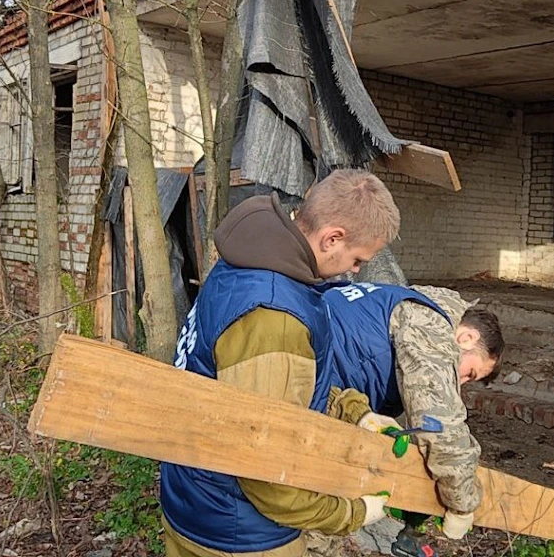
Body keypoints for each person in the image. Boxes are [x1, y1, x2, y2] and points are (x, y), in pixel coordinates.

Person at [160, 169, 404, 557]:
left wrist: (356, 413)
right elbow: (264, 465)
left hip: (196, 496)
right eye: (358, 259)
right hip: (241, 533)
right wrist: (351, 512)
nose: (356, 271)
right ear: (332, 238)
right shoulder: (275, 314)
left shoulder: (252, 260)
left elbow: (276, 392)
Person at [323, 282, 505, 553]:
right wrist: (462, 504)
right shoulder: (430, 326)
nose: (461, 383)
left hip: (311, 378)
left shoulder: (410, 301)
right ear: (466, 338)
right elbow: (440, 424)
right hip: (300, 386)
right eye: (470, 373)